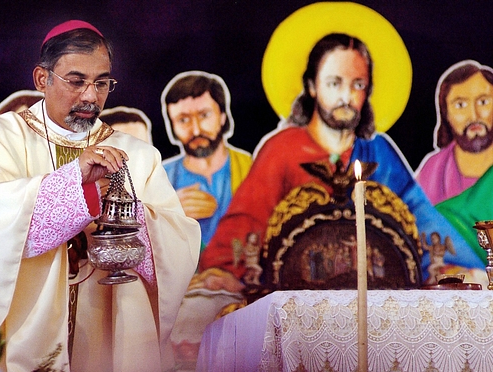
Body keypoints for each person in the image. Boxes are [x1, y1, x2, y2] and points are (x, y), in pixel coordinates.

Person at [0, 20, 200, 372]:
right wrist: (80, 187)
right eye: (76, 81)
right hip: (24, 337)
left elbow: (178, 248)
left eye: (102, 82)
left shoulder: (139, 156)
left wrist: (125, 212)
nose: (91, 96)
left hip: (110, 338)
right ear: (42, 79)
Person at [200, 33, 483, 283]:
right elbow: (247, 220)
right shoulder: (282, 150)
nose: (346, 96)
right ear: (312, 86)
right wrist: (223, 269)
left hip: (376, 290)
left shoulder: (379, 152)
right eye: (334, 83)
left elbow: (420, 218)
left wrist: (455, 268)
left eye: (358, 84)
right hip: (297, 295)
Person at [161, 71, 251, 249]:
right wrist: (168, 214)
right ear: (172, 126)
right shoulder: (159, 177)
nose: (195, 130)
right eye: (183, 120)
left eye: (204, 115)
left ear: (223, 116)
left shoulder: (252, 167)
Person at [416, 60, 493, 204]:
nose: (474, 115)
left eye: (483, 102)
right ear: (446, 114)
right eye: (460, 105)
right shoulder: (433, 171)